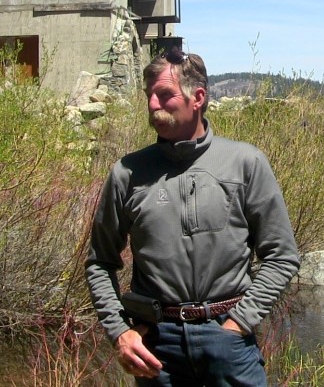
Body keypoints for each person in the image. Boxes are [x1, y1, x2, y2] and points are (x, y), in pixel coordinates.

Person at [85, 49, 300, 386]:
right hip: (158, 349)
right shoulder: (128, 172)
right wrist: (119, 332)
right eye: (149, 96)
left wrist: (238, 325)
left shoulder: (245, 163)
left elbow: (282, 256)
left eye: (165, 95)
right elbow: (100, 263)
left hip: (229, 341)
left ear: (197, 97)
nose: (153, 105)